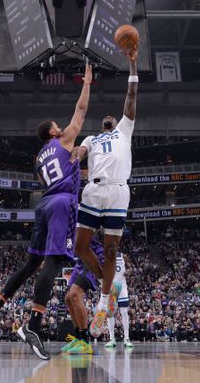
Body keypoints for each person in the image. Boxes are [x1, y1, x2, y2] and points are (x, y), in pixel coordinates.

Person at [0, 63, 93, 360]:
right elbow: (80, 112)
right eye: (58, 125)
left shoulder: (39, 157)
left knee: (31, 264)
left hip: (43, 205)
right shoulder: (63, 140)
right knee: (53, 264)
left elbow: (62, 172)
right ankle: (33, 325)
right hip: (61, 204)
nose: (61, 127)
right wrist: (88, 83)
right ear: (53, 131)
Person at [74, 46, 139, 338]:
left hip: (117, 191)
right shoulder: (93, 137)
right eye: (106, 118)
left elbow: (131, 98)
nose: (110, 117)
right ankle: (106, 283)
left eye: (113, 117)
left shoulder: (125, 129)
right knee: (79, 247)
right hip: (93, 190)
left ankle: (102, 304)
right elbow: (82, 149)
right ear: (102, 124)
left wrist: (133, 66)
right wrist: (76, 152)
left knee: (111, 249)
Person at [62, 235, 105, 355]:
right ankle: (78, 338)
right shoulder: (68, 221)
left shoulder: (85, 218)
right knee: (68, 299)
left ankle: (85, 342)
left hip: (92, 256)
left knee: (75, 294)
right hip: (79, 261)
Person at [106, 252, 133, 349]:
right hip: (111, 287)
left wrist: (128, 271)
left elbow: (130, 268)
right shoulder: (105, 255)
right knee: (110, 313)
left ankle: (126, 338)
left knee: (124, 312)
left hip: (122, 286)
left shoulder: (123, 256)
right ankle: (112, 338)